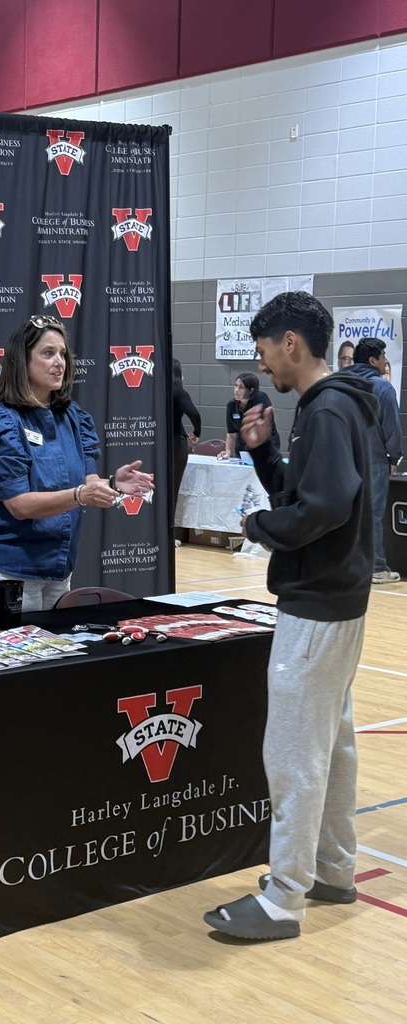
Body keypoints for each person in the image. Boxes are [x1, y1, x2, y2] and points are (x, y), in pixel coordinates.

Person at [203, 291, 378, 942]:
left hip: (318, 600)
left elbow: (324, 507)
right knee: (333, 741)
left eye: (264, 350)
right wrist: (262, 453)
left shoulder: (327, 408)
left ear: (291, 344)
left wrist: (260, 527)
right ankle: (332, 868)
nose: (262, 364)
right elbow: (307, 493)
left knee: (294, 751)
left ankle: (283, 899)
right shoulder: (337, 404)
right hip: (340, 598)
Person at [0, 315, 154, 616]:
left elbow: (88, 484)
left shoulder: (73, 417)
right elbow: (20, 506)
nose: (59, 363)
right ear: (22, 361)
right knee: (22, 648)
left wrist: (112, 484)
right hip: (7, 568)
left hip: (57, 567)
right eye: (48, 353)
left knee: (54, 646)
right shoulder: (0, 422)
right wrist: (80, 495)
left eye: (63, 354)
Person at [344, 337, 402, 584]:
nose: (385, 361)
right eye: (383, 356)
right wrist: (394, 456)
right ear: (372, 360)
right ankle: (376, 568)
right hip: (373, 459)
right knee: (373, 515)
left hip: (343, 458)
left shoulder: (340, 383)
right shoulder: (382, 387)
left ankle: (347, 566)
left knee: (346, 515)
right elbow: (391, 429)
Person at [218, 372, 279, 459]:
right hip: (242, 448)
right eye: (236, 386)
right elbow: (231, 433)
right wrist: (228, 452)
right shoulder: (231, 405)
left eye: (241, 387)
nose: (236, 390)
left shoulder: (261, 399)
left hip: (265, 446)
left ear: (251, 390)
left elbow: (265, 427)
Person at [171, 358, 201, 509]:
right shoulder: (178, 392)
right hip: (175, 441)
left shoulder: (153, 391)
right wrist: (197, 432)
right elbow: (194, 414)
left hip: (154, 441)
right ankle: (169, 520)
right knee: (173, 486)